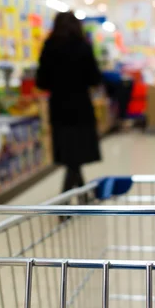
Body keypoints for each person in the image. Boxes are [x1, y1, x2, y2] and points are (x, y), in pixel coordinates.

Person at [36, 11, 102, 194]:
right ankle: (67, 200)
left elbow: (41, 82)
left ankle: (81, 197)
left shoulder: (49, 46)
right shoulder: (83, 46)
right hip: (81, 107)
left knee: (70, 156)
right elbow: (95, 78)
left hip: (59, 108)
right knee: (77, 156)